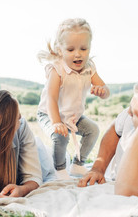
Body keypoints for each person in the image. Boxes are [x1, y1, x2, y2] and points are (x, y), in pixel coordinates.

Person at [37, 18, 110, 180]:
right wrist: (56, 122)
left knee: (93, 130)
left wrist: (102, 91)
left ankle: (78, 165)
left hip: (73, 116)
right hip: (49, 113)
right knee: (60, 135)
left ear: (90, 48)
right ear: (60, 50)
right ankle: (60, 169)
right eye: (70, 49)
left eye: (83, 48)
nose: (78, 54)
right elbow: (51, 98)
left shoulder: (89, 68)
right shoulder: (57, 70)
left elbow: (106, 90)